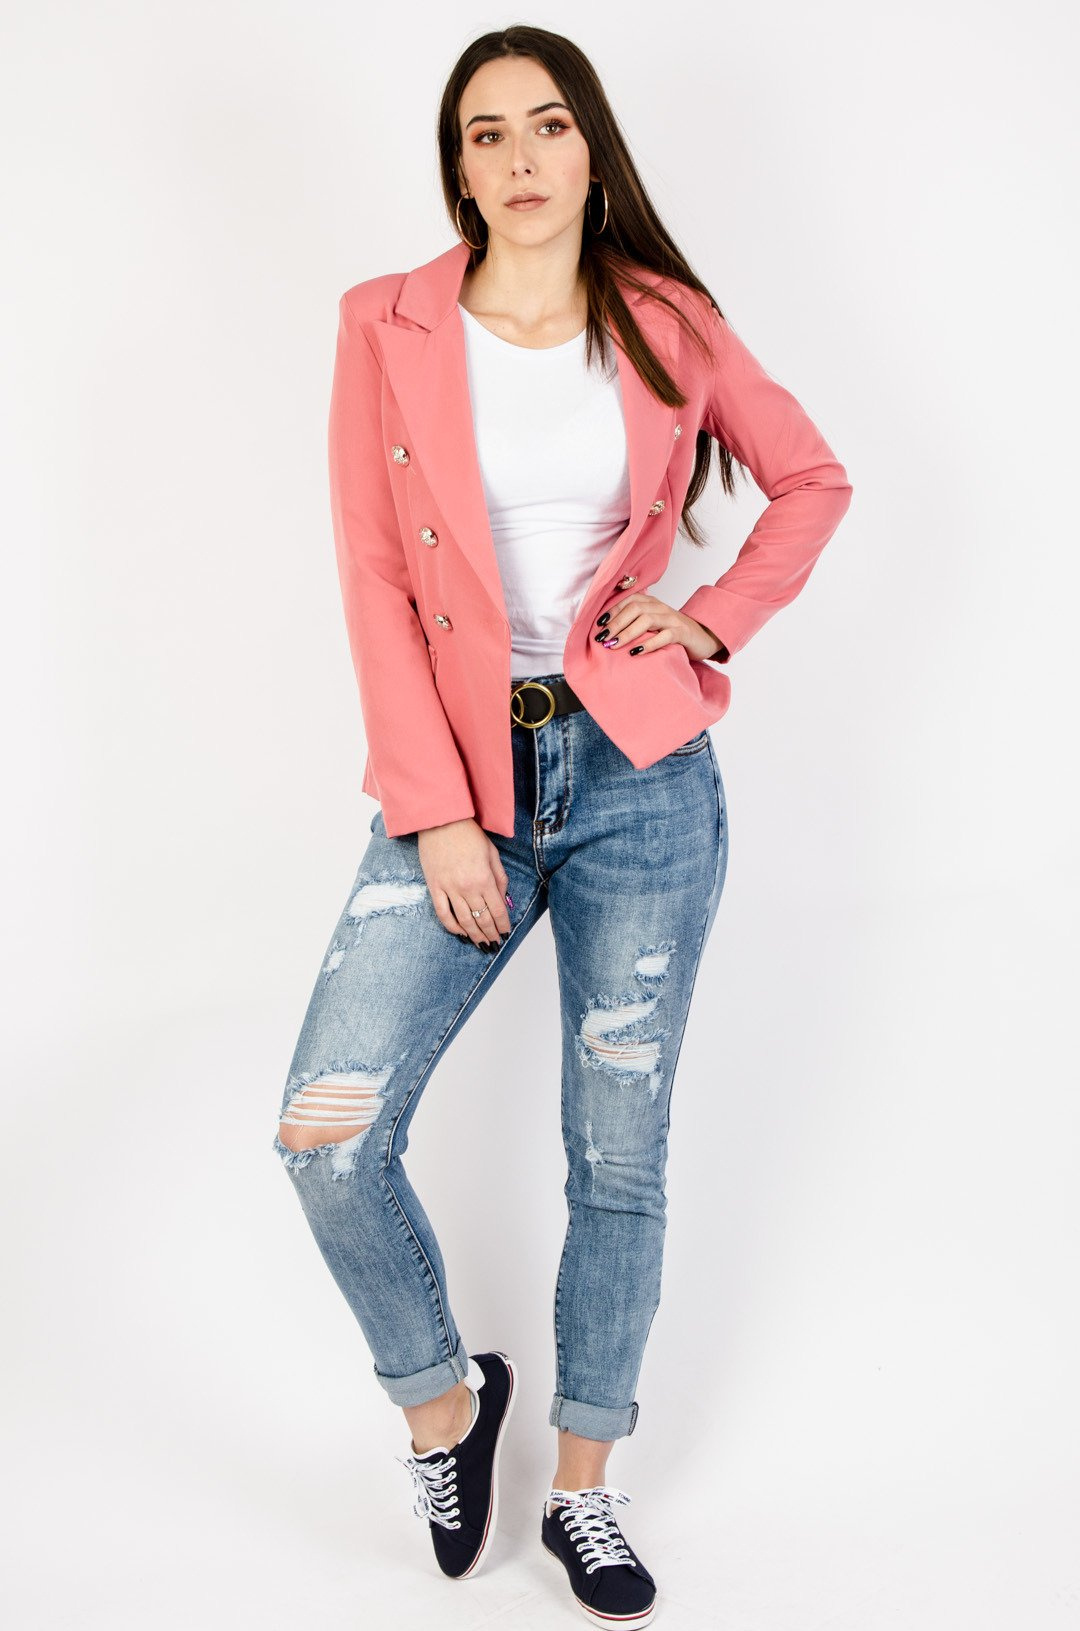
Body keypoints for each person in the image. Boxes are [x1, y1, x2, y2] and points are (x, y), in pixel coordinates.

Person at [272, 24, 852, 1626]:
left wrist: (711, 619)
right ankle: (446, 1411)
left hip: (640, 780)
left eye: (546, 126)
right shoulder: (386, 324)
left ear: (592, 150)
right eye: (486, 133)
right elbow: (374, 575)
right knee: (326, 1135)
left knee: (618, 1157)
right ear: (456, 165)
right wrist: (441, 816)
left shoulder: (669, 322)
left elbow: (811, 480)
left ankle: (585, 1489)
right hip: (461, 782)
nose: (519, 158)